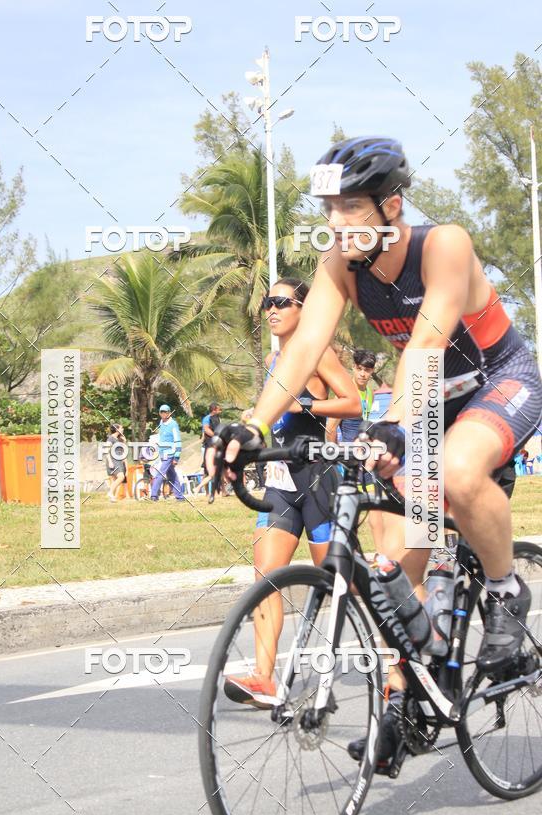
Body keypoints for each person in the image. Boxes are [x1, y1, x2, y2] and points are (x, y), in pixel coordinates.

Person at [209, 136, 542, 766]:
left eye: (350, 208)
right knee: (392, 568)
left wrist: (391, 422)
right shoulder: (340, 265)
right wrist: (253, 423)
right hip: (429, 400)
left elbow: (427, 342)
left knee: (457, 471)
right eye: (328, 209)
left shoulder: (443, 244)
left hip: (501, 379)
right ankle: (406, 703)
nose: (335, 223)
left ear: (391, 207)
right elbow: (302, 350)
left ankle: (504, 591)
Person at [224, 277, 362, 707]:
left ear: (305, 308)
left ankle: (398, 656)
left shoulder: (317, 353)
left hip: (318, 479)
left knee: (340, 581)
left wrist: (304, 405)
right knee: (265, 578)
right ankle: (265, 679)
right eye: (268, 301)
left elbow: (354, 403)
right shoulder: (273, 359)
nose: (271, 309)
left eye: (282, 301)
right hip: (281, 483)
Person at [326, 348, 384, 551]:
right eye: (359, 369)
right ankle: (352, 553)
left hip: (365, 457)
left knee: (375, 505)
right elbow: (330, 428)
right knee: (352, 508)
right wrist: (336, 457)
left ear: (371, 371)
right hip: (348, 461)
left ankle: (380, 554)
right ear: (353, 368)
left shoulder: (370, 393)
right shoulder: (344, 392)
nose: (362, 374)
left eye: (367, 370)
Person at [150, 404, 184, 502]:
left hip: (170, 454)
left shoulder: (173, 424)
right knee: (172, 475)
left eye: (166, 412)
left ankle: (154, 495)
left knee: (160, 473)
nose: (163, 414)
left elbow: (178, 441)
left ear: (169, 413)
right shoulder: (161, 423)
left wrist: (176, 457)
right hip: (162, 453)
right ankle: (180, 497)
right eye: (162, 412)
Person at [195, 402, 222, 495]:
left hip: (216, 446)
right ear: (214, 410)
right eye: (219, 409)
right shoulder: (207, 419)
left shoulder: (218, 419)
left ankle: (222, 491)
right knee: (207, 470)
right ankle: (206, 492)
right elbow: (206, 429)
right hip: (208, 446)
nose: (220, 411)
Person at [105, 423, 127, 502]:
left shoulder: (119, 439)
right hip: (113, 461)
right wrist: (110, 462)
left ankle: (112, 498)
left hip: (119, 461)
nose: (123, 429)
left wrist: (124, 442)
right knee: (121, 477)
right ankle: (110, 493)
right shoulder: (111, 438)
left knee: (114, 480)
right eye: (121, 428)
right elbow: (106, 450)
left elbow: (122, 451)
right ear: (117, 429)